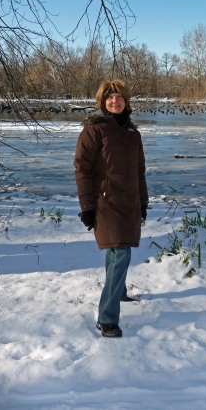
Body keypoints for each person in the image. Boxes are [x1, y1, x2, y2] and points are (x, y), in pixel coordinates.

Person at [74, 79, 148, 338]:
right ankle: (106, 318)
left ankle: (120, 291)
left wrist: (143, 202)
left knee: (118, 252)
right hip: (105, 203)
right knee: (120, 254)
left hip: (129, 202)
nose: (115, 101)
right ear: (102, 102)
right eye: (109, 98)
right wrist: (87, 206)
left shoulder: (132, 133)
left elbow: (139, 171)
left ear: (126, 102)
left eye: (119, 97)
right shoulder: (94, 130)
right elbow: (82, 169)